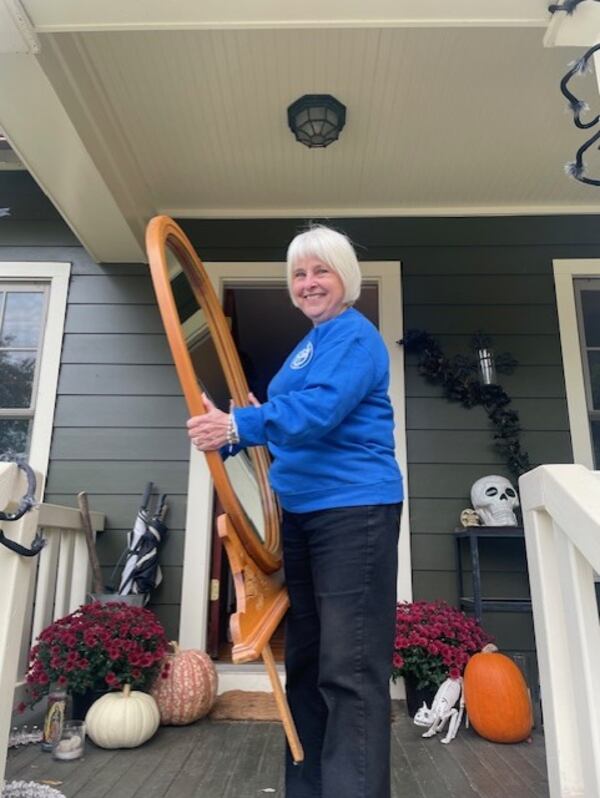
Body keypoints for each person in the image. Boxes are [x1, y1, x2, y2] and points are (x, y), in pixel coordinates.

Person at [187, 225, 403, 798]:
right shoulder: (310, 344)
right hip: (305, 516)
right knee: (307, 660)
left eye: (320, 271)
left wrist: (240, 423)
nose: (308, 283)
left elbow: (320, 412)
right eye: (299, 274)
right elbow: (286, 422)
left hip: (354, 513)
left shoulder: (354, 338)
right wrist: (232, 430)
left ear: (346, 279)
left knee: (349, 668)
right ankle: (308, 788)